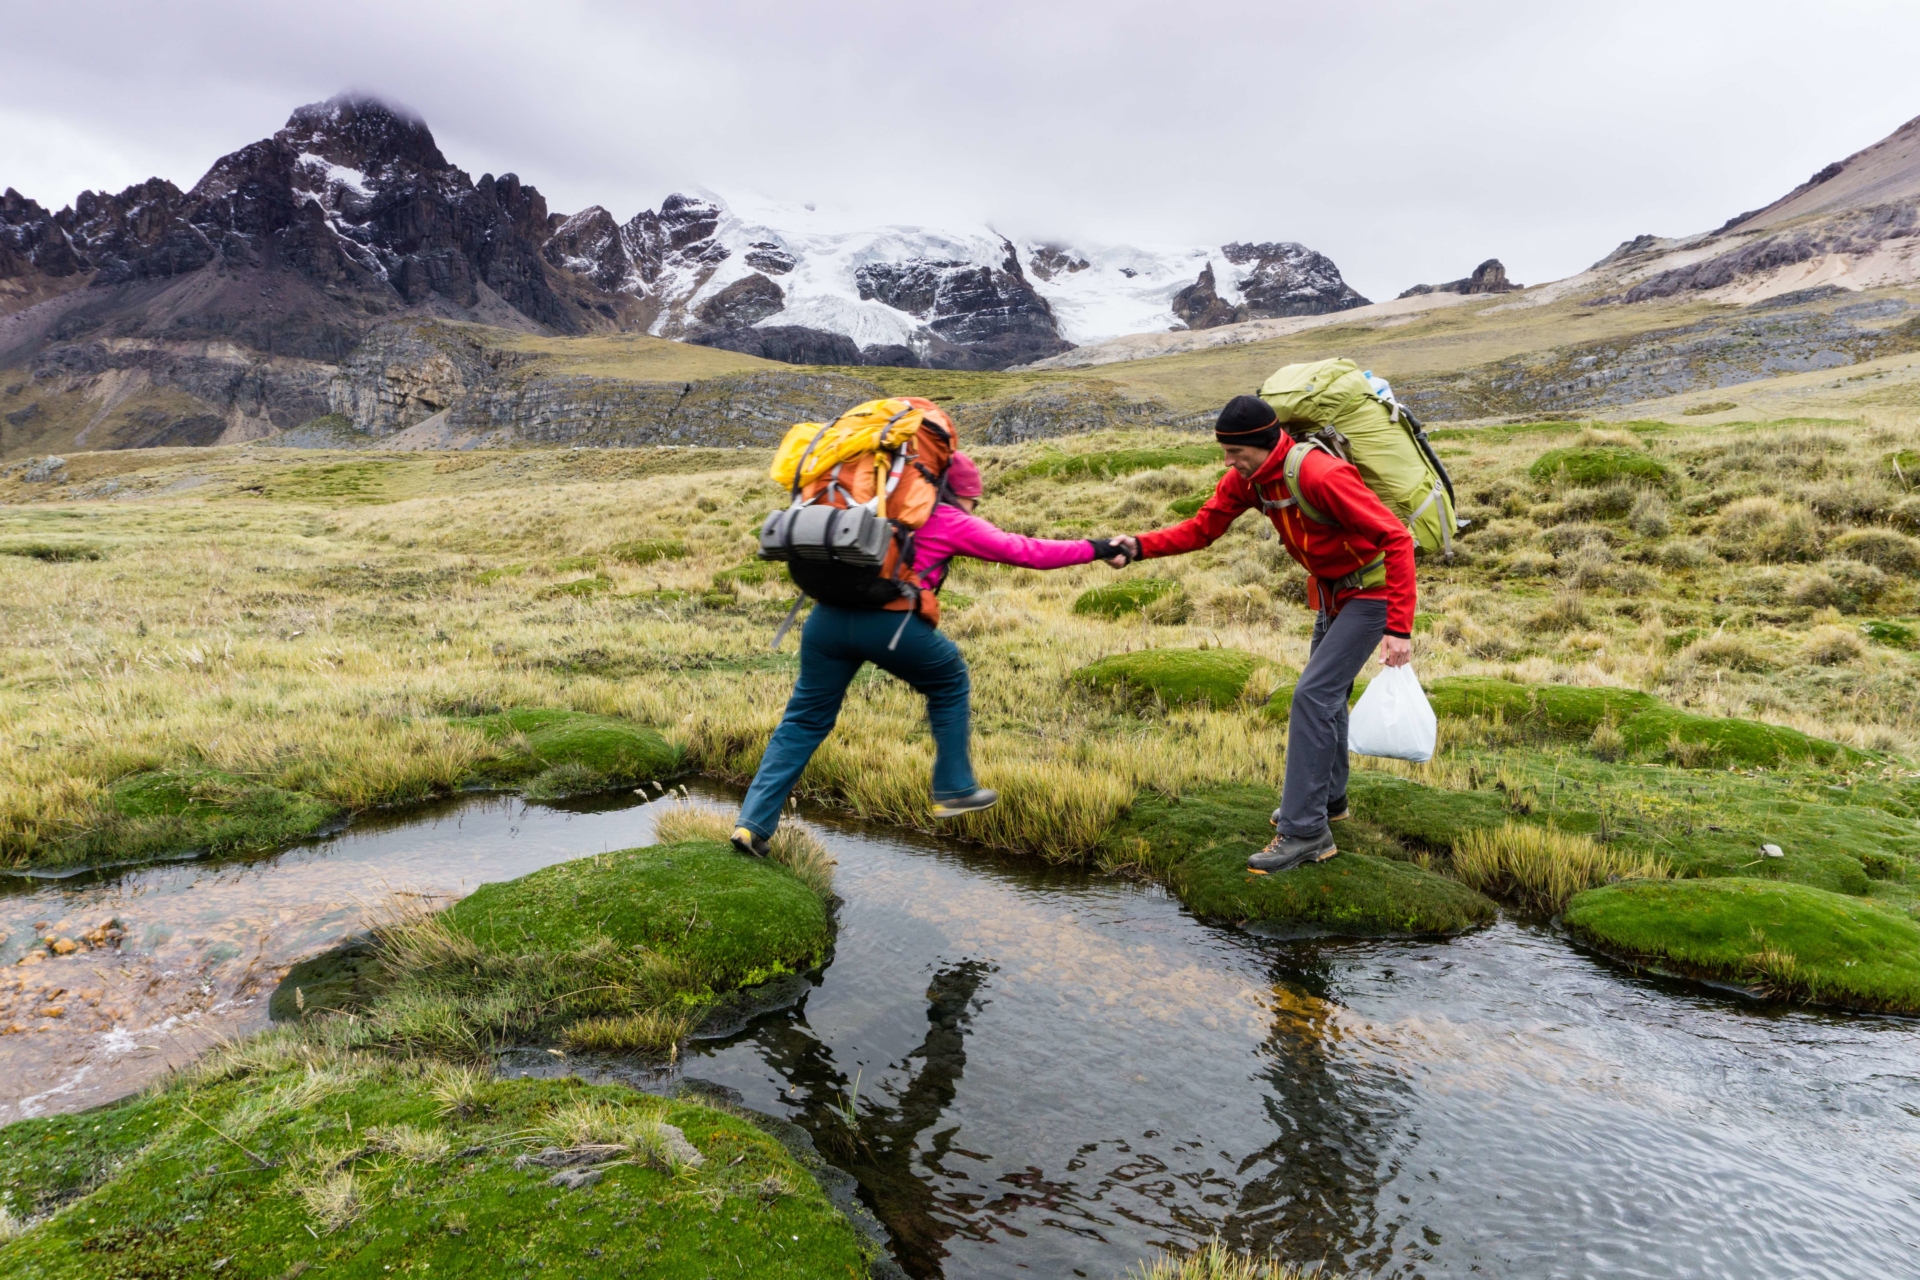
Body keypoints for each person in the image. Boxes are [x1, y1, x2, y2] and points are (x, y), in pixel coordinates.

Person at [732, 452, 1131, 856]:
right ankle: (955, 788)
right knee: (949, 680)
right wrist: (1099, 548)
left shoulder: (869, 501)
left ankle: (750, 825)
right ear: (959, 492)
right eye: (975, 500)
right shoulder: (946, 518)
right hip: (889, 625)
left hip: (825, 622)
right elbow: (1026, 551)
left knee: (802, 720)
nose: (975, 508)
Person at [1116, 395, 1416, 874]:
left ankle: (1305, 833)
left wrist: (1399, 628)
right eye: (1224, 452)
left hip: (1372, 595)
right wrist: (1139, 547)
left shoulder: (1319, 474)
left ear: (1263, 442)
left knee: (1312, 696)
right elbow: (1202, 528)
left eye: (1234, 452)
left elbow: (1397, 538)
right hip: (1332, 593)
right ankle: (1329, 802)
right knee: (1328, 696)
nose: (1227, 462)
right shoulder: (1248, 480)